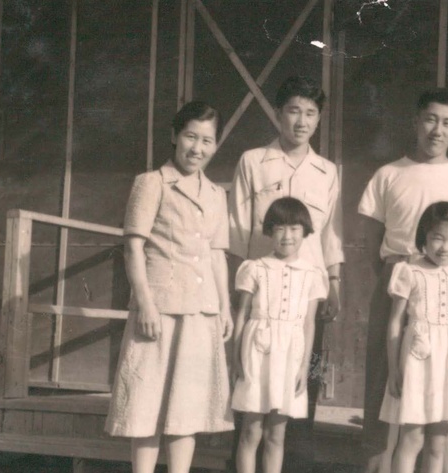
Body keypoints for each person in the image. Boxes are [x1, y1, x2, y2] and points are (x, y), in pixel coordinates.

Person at [358, 89, 448, 473]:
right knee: (386, 381)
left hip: (443, 291)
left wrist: (440, 276)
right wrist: (398, 275)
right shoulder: (388, 175)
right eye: (430, 119)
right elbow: (372, 243)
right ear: (416, 122)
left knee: (440, 393)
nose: (437, 130)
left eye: (447, 123)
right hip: (397, 282)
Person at [105, 101, 234, 473]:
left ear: (216, 144)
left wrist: (224, 308)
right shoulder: (152, 183)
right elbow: (133, 247)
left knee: (186, 410)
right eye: (191, 136)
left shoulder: (216, 194)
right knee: (145, 406)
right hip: (158, 311)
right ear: (175, 136)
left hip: (201, 313)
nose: (197, 148)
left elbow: (216, 255)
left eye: (207, 140)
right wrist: (145, 303)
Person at [228, 75, 344, 320]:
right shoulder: (252, 162)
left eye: (310, 113)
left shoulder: (327, 172)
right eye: (294, 111)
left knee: (308, 347)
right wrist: (236, 286)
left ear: (318, 119)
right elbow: (237, 230)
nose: (302, 122)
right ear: (278, 113)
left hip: (309, 291)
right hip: (261, 290)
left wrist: (334, 284)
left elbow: (331, 237)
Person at [231, 197, 327, 473]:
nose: (287, 236)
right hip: (256, 352)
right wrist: (236, 358)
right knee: (251, 432)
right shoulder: (255, 268)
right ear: (270, 231)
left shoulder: (311, 274)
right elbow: (242, 315)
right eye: (280, 228)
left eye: (295, 228)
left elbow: (309, 324)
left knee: (276, 434)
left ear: (305, 231)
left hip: (289, 357)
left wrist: (303, 367)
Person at [381, 202, 448, 473]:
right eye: (437, 238)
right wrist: (393, 370)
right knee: (411, 440)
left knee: (438, 444)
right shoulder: (410, 272)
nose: (445, 247)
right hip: (417, 365)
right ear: (424, 237)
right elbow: (395, 324)